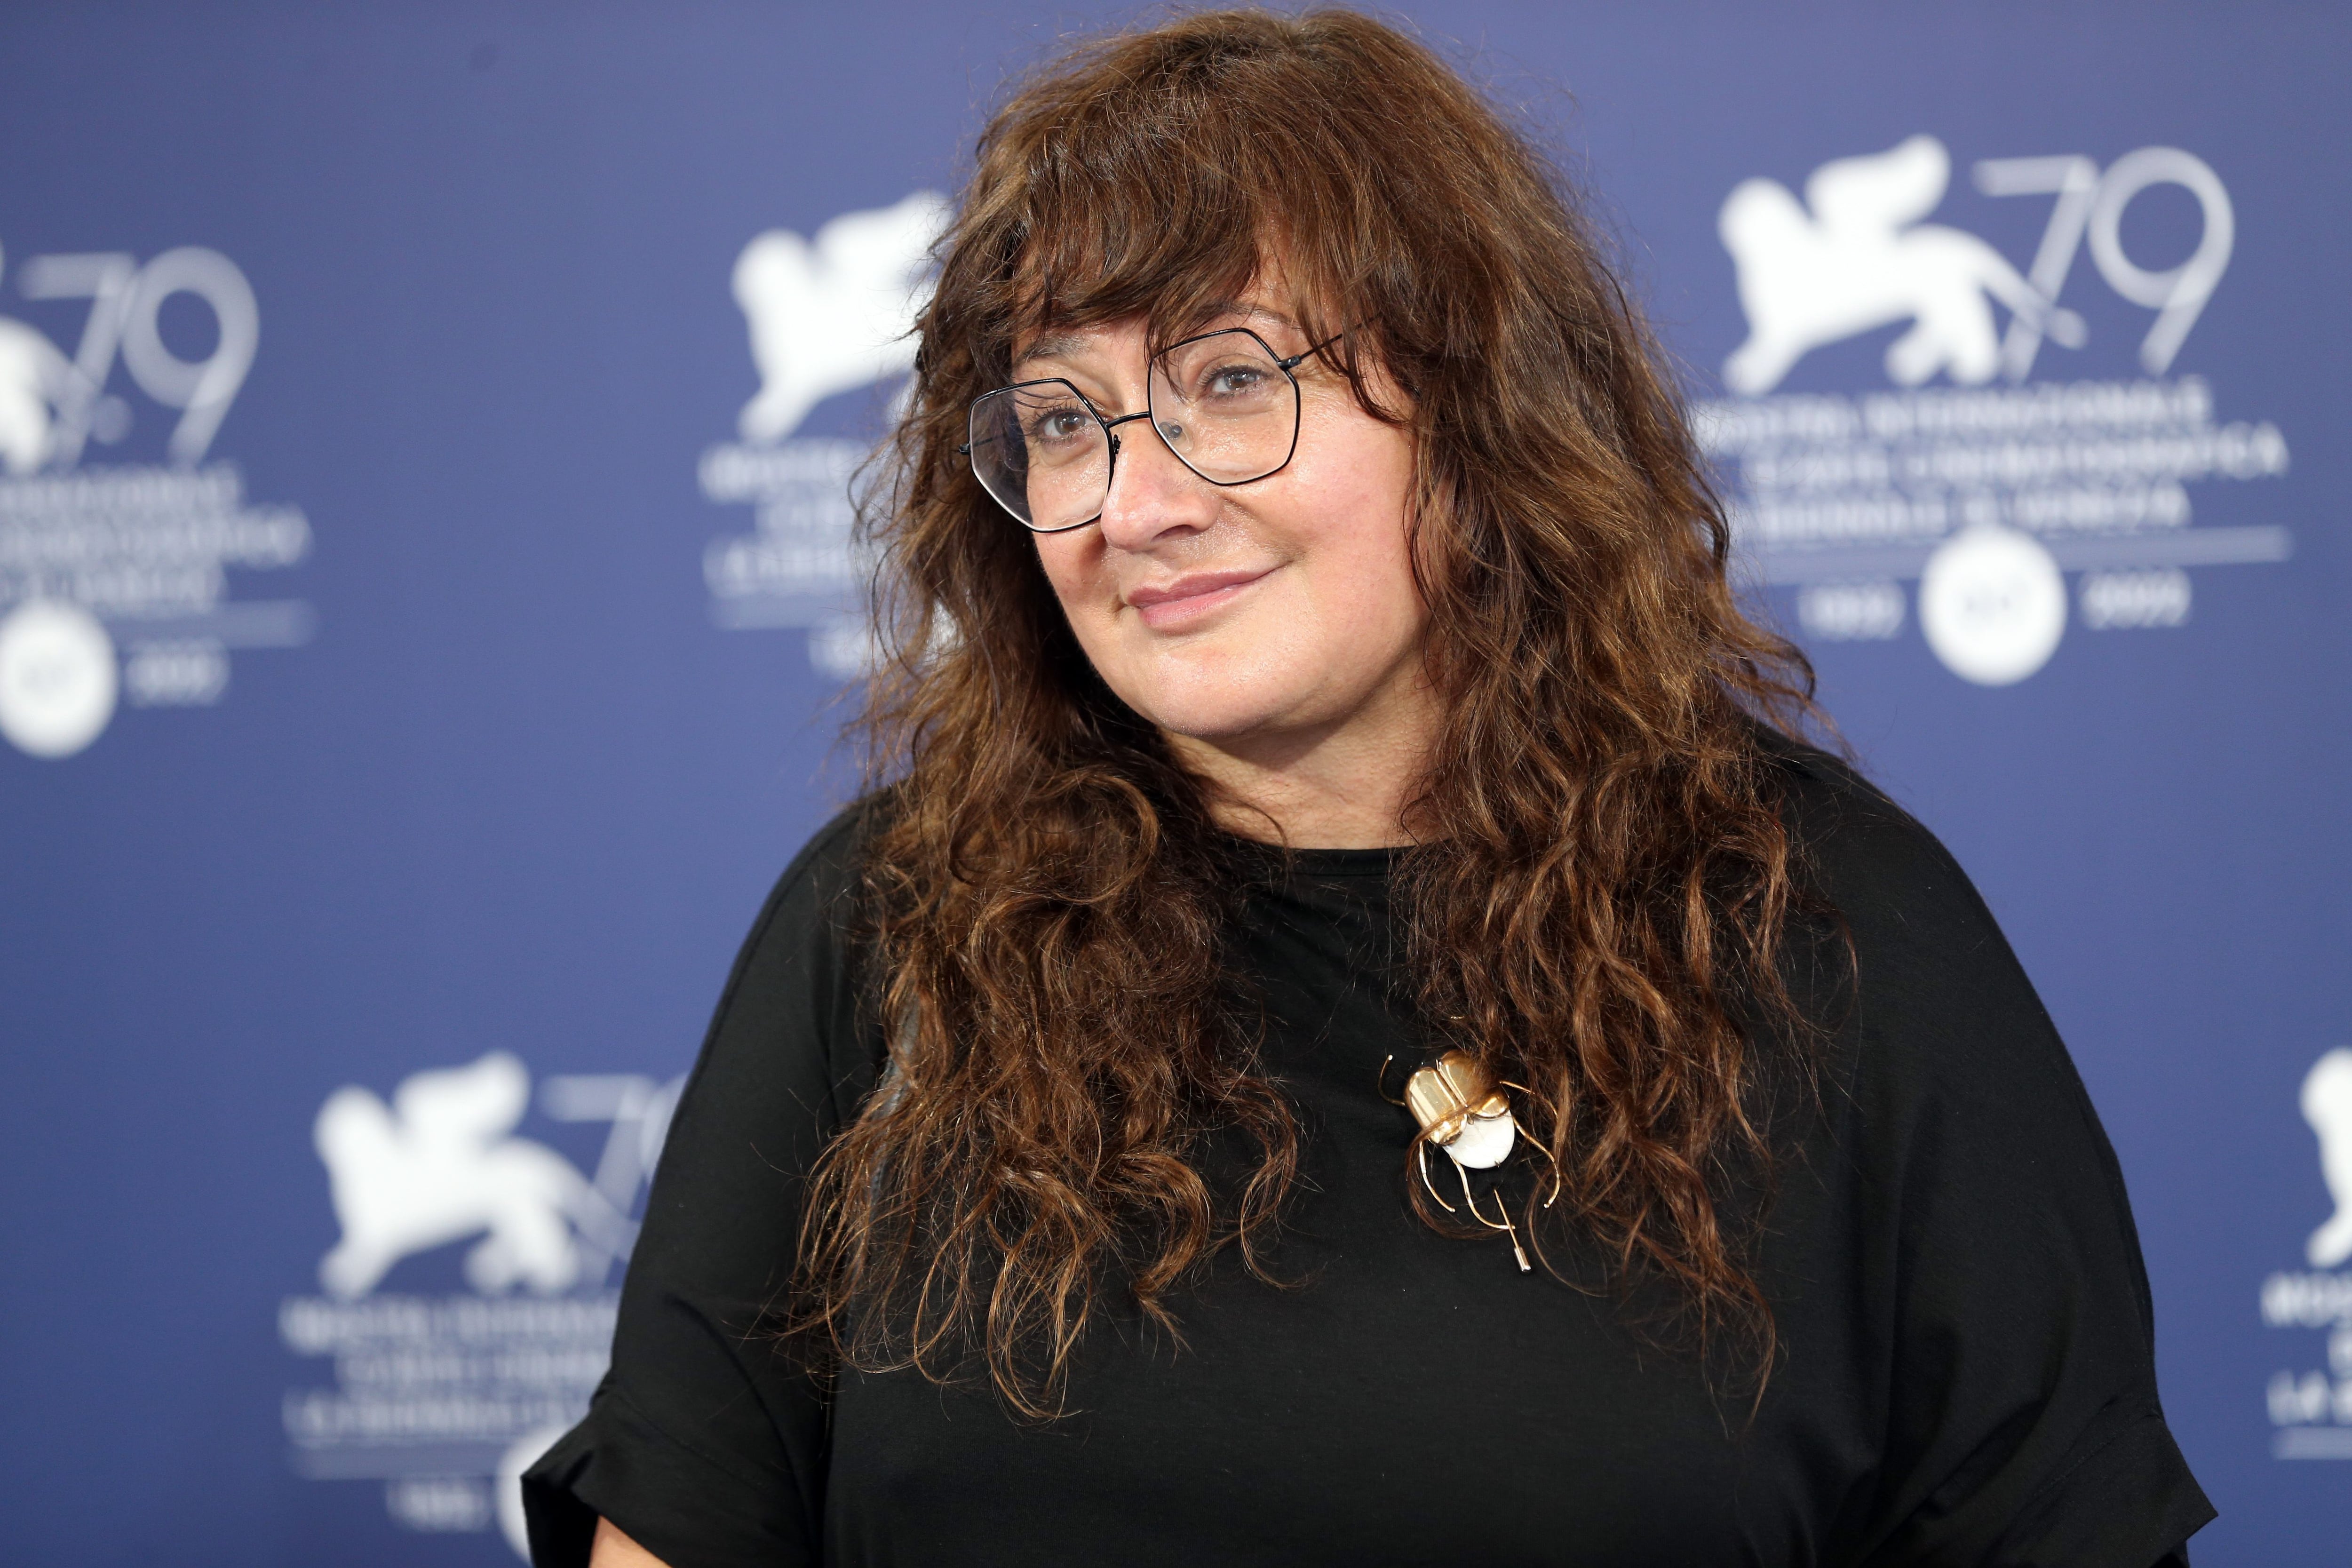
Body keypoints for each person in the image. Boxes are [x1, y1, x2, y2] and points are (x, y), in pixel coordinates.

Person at [524, 10, 2213, 1565]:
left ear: (1478, 410)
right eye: (1062, 419)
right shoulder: (892, 924)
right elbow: (681, 1524)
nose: (1134, 502)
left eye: (1232, 383)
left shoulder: (1821, 929)